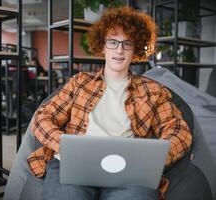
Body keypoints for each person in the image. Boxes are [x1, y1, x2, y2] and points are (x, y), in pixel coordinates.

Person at [27, 6, 192, 200]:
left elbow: (179, 130)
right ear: (103, 46)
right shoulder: (80, 82)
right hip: (74, 163)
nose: (119, 50)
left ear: (136, 48)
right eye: (113, 42)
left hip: (128, 169)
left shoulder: (152, 91)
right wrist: (64, 145)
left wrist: (156, 160)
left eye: (127, 43)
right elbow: (42, 117)